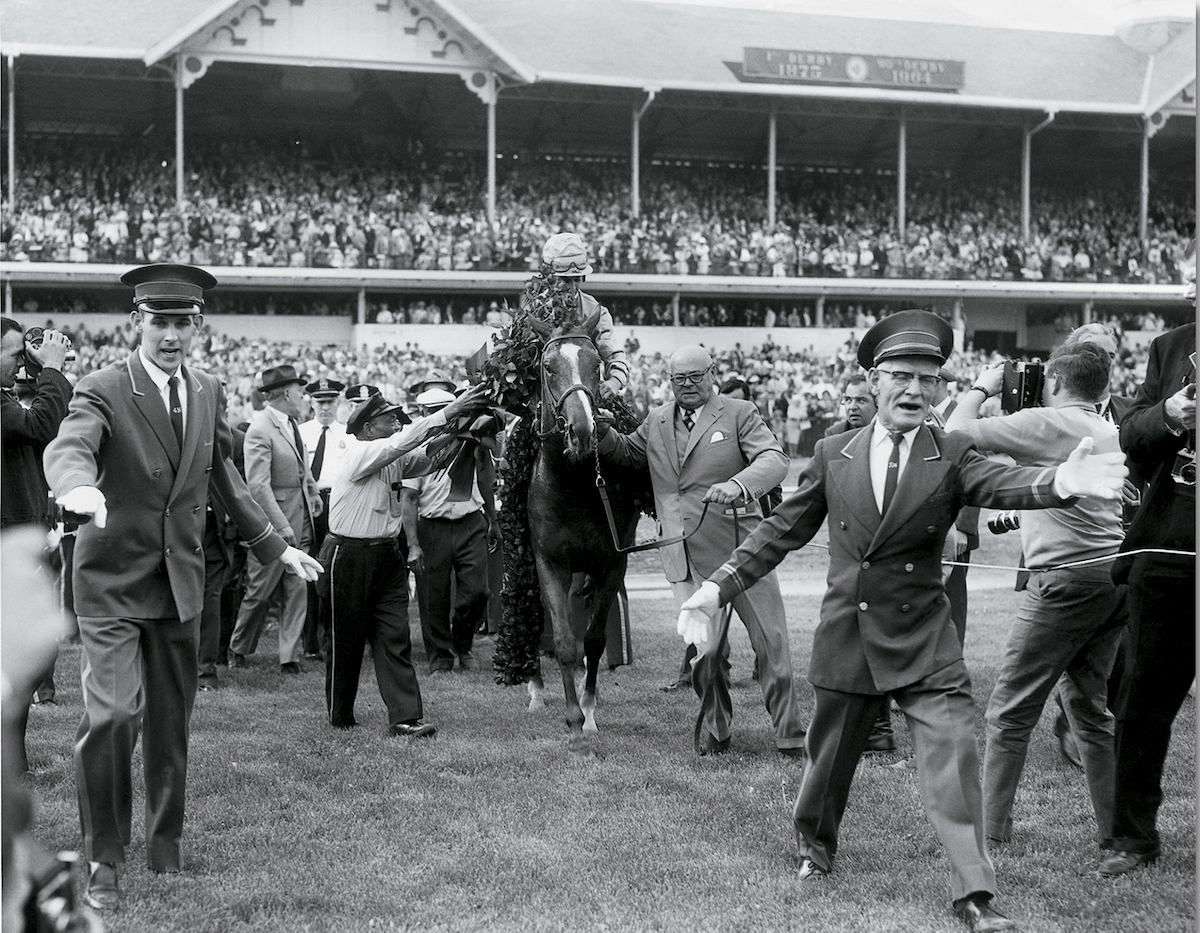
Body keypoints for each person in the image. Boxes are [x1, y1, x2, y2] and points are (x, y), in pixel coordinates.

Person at [677, 310, 1128, 933]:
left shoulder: (954, 450)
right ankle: (816, 845)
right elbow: (781, 530)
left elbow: (1006, 483)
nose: (916, 390)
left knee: (953, 756)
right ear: (873, 378)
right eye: (901, 376)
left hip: (923, 635)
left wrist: (1060, 482)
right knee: (827, 764)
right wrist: (715, 587)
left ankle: (974, 895)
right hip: (848, 635)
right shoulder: (835, 453)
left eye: (929, 378)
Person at [41, 263, 321, 910]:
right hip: (111, 582)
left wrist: (277, 549)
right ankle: (104, 855)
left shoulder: (209, 388)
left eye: (180, 323)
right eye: (158, 322)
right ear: (137, 322)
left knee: (171, 725)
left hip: (179, 585)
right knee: (110, 716)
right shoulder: (103, 386)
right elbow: (71, 443)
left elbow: (223, 475)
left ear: (197, 327)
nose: (169, 334)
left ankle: (165, 846)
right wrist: (77, 488)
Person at [945, 341, 1129, 850]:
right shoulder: (1103, 427)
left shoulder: (1051, 421)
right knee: (1089, 711)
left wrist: (984, 385)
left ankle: (992, 833)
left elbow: (953, 434)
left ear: (1055, 382)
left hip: (1064, 584)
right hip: (1110, 580)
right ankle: (1117, 830)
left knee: (1009, 713)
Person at [597, 345, 807, 759]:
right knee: (704, 654)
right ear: (668, 380)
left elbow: (774, 458)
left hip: (743, 553)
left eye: (696, 376)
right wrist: (600, 432)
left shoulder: (739, 412)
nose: (688, 386)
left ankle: (790, 735)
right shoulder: (656, 421)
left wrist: (741, 484)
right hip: (683, 558)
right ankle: (718, 730)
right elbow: (629, 455)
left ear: (713, 373)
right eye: (679, 379)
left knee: (772, 646)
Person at [1098, 267, 1195, 876]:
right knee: (1141, 699)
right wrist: (1172, 412)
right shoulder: (1172, 346)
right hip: (1167, 554)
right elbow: (1130, 437)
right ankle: (1133, 836)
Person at [321, 381, 486, 735]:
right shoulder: (360, 453)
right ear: (368, 429)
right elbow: (405, 442)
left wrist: (464, 425)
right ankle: (340, 715)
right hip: (347, 556)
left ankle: (406, 718)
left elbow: (430, 457)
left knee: (395, 635)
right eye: (389, 419)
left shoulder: (392, 457)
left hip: (385, 555)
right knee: (345, 641)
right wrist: (451, 410)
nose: (397, 424)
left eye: (399, 419)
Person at [1, 316, 72, 774]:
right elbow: (45, 423)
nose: (17, 363)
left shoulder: (6, 398)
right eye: (12, 354)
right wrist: (52, 368)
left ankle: (13, 761)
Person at [228, 364, 322, 674]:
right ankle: (238, 648)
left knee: (296, 588)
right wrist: (280, 526)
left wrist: (312, 494)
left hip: (300, 517)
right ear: (284, 394)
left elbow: (302, 468)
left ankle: (288, 657)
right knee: (260, 591)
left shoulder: (291, 423)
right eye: (299, 391)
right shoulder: (260, 429)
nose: (303, 396)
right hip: (273, 525)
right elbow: (258, 486)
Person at [402, 386, 499, 674]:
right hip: (434, 526)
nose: (440, 417)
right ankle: (440, 657)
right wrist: (413, 544)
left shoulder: (473, 441)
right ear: (422, 414)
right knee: (433, 595)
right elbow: (408, 498)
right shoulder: (417, 450)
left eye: (444, 409)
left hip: (470, 522)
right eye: (431, 412)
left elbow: (485, 481)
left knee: (477, 591)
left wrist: (493, 520)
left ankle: (463, 644)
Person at [532, 232, 630, 398]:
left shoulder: (595, 311)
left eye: (575, 279)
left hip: (584, 395)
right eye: (564, 279)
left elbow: (613, 354)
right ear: (548, 276)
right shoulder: (534, 309)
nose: (570, 286)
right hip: (539, 395)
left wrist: (614, 381)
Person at [297, 376, 348, 662]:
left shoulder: (347, 435)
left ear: (338, 402)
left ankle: (332, 638)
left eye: (330, 401)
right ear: (311, 402)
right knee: (308, 566)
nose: (325, 407)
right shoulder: (301, 432)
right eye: (320, 401)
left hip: (337, 502)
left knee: (333, 569)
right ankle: (309, 642)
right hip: (307, 503)